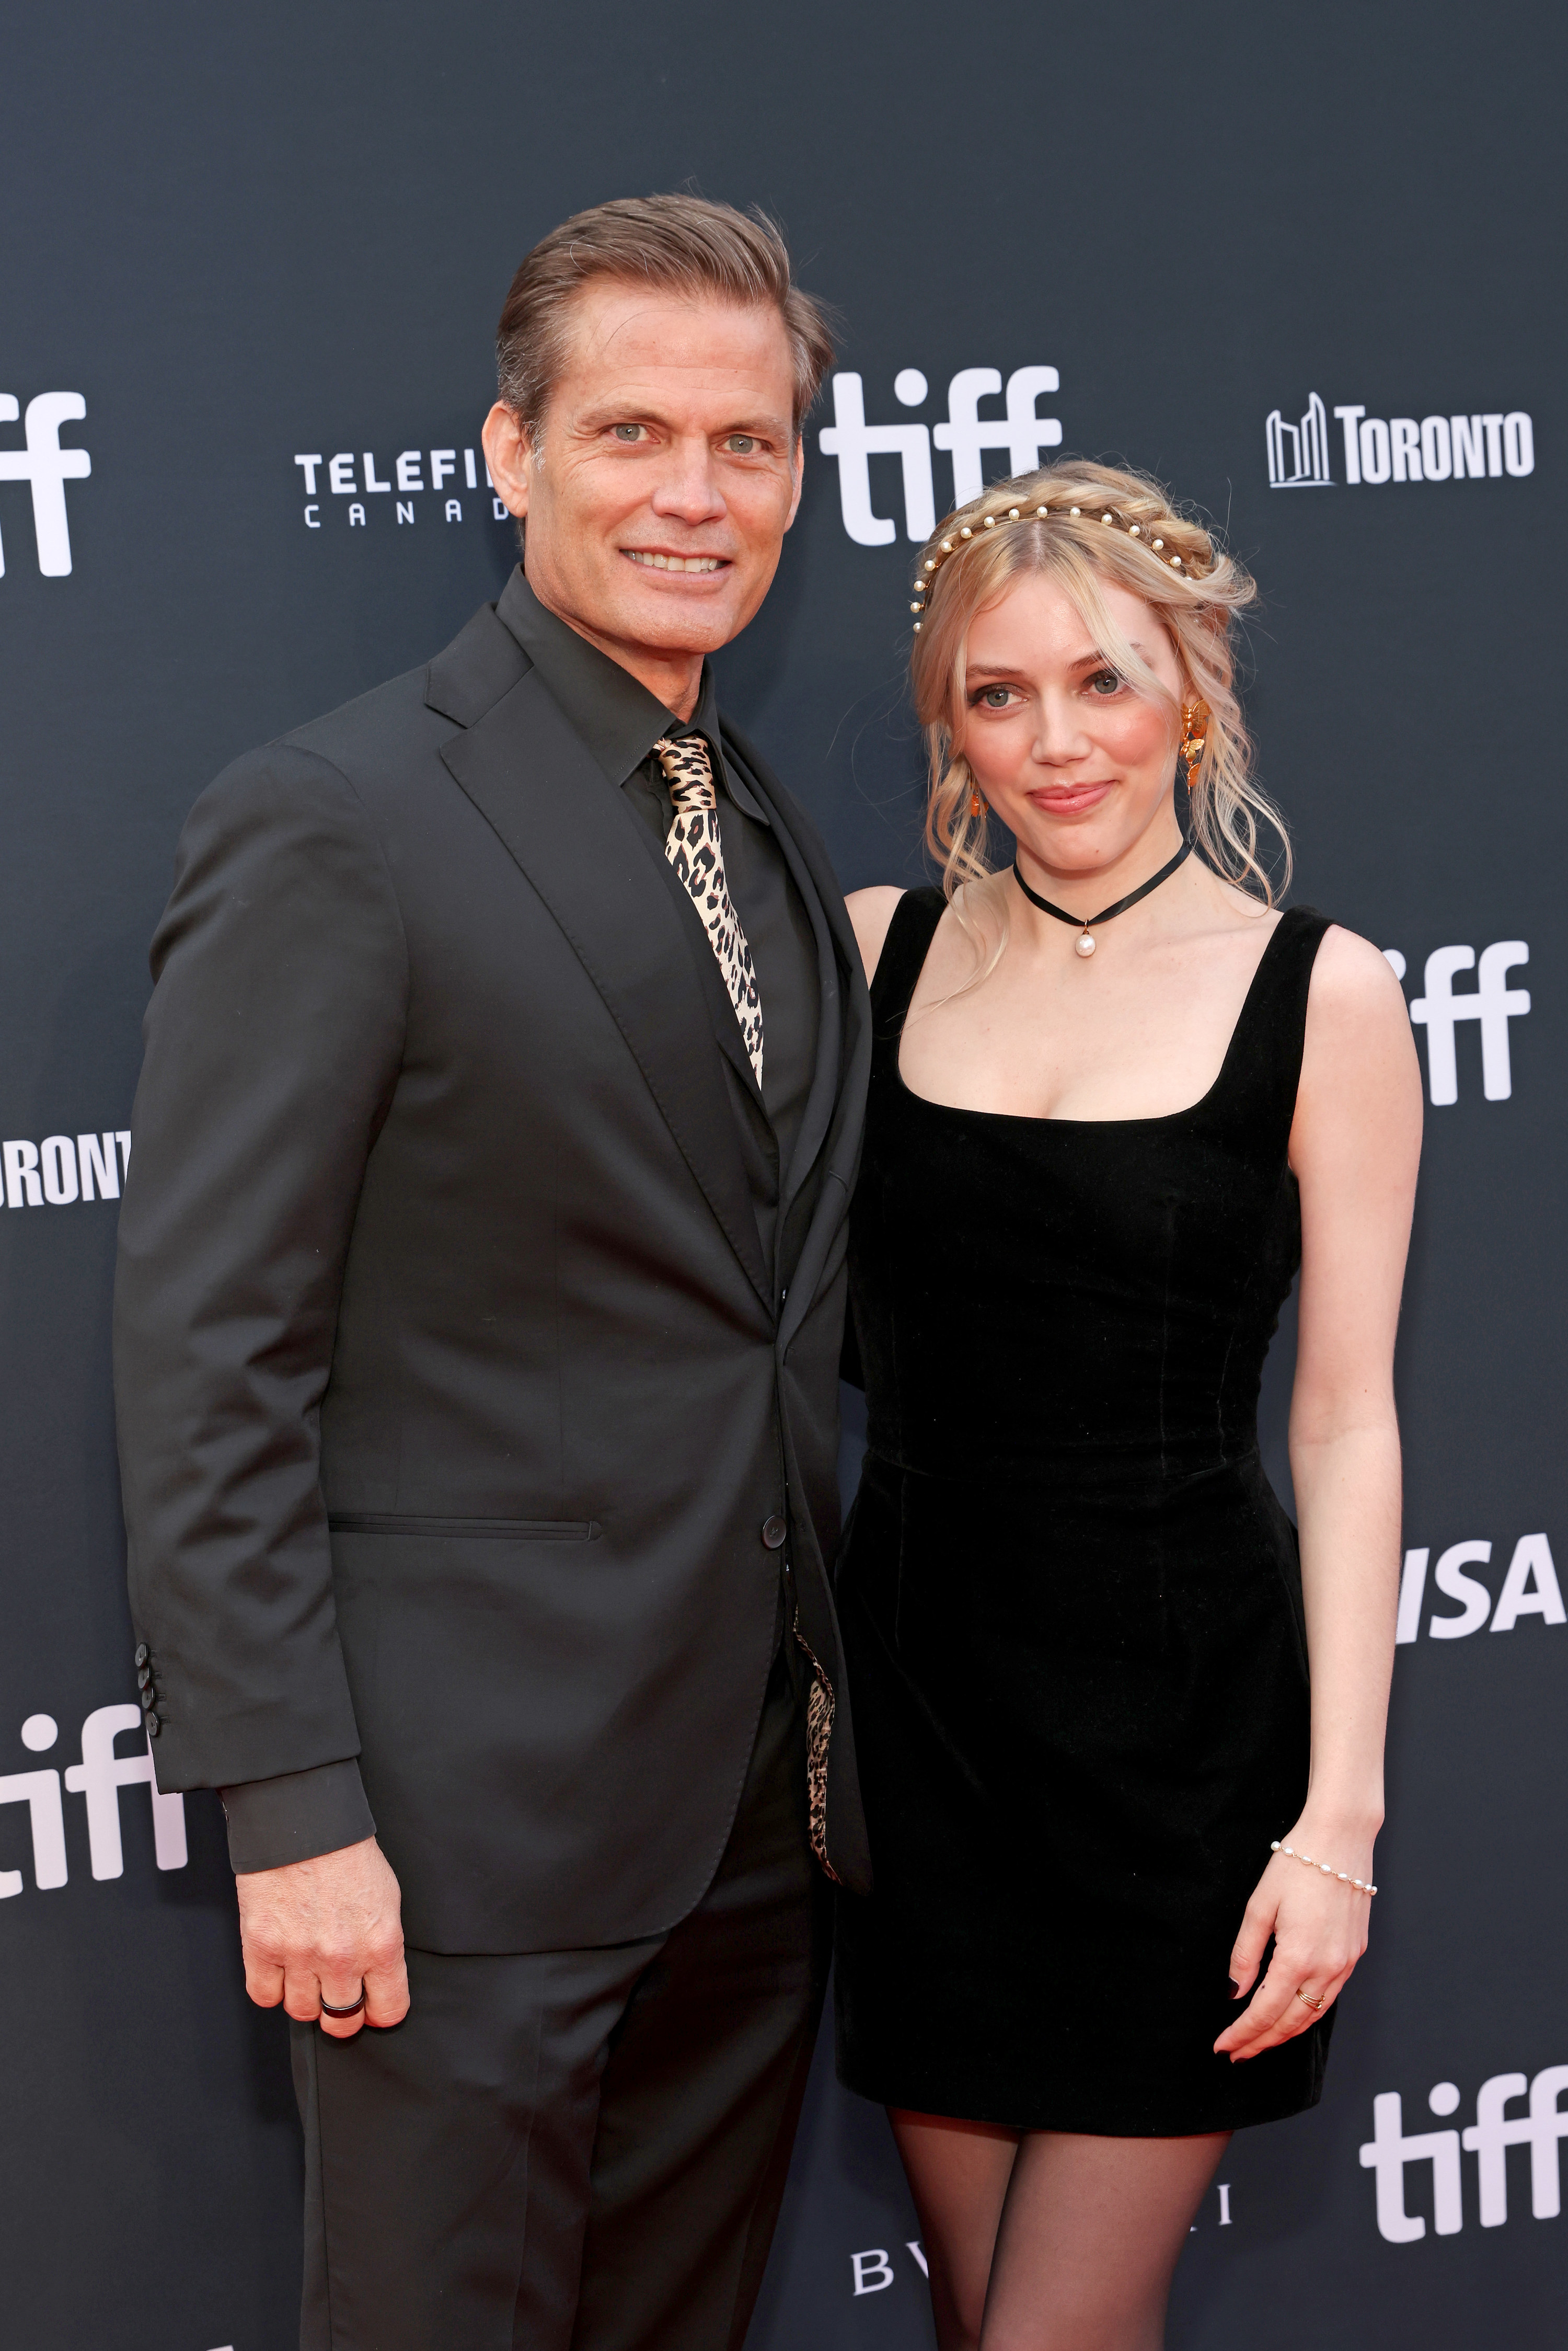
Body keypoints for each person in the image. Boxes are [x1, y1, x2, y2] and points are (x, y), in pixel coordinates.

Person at [113, 194, 871, 2351]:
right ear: (509, 452)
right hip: (451, 1840)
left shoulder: (749, 811)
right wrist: (291, 1808)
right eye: (633, 433)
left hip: (744, 1806)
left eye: (748, 444)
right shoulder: (337, 818)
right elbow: (209, 1347)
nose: (695, 494)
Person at [834, 461, 1421, 2350]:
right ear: (949, 722)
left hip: (1182, 1752)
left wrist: (1338, 1819)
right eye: (998, 695)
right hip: (921, 1729)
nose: (1056, 741)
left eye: (1103, 681)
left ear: (1196, 691)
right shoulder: (871, 954)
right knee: (985, 2320)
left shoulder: (1322, 995)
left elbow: (1343, 1424)